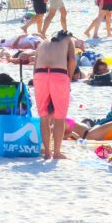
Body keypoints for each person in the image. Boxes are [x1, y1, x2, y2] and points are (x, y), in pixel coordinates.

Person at [32, 29, 76, 160]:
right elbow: (72, 60)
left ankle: (47, 153)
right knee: (59, 116)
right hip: (58, 74)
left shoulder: (43, 43)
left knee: (43, 116)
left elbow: (35, 63)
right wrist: (69, 77)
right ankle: (56, 152)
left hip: (39, 74)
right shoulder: (69, 40)